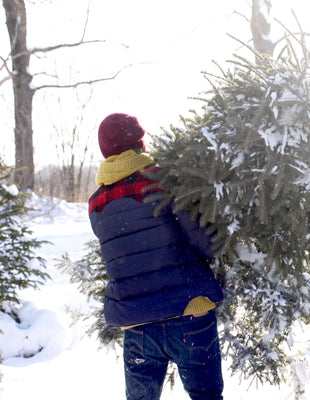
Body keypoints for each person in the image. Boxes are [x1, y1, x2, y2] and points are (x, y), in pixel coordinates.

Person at [88, 113, 224, 400]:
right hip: (189, 311)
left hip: (138, 324)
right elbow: (208, 246)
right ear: (139, 143)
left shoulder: (96, 204)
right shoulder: (165, 181)